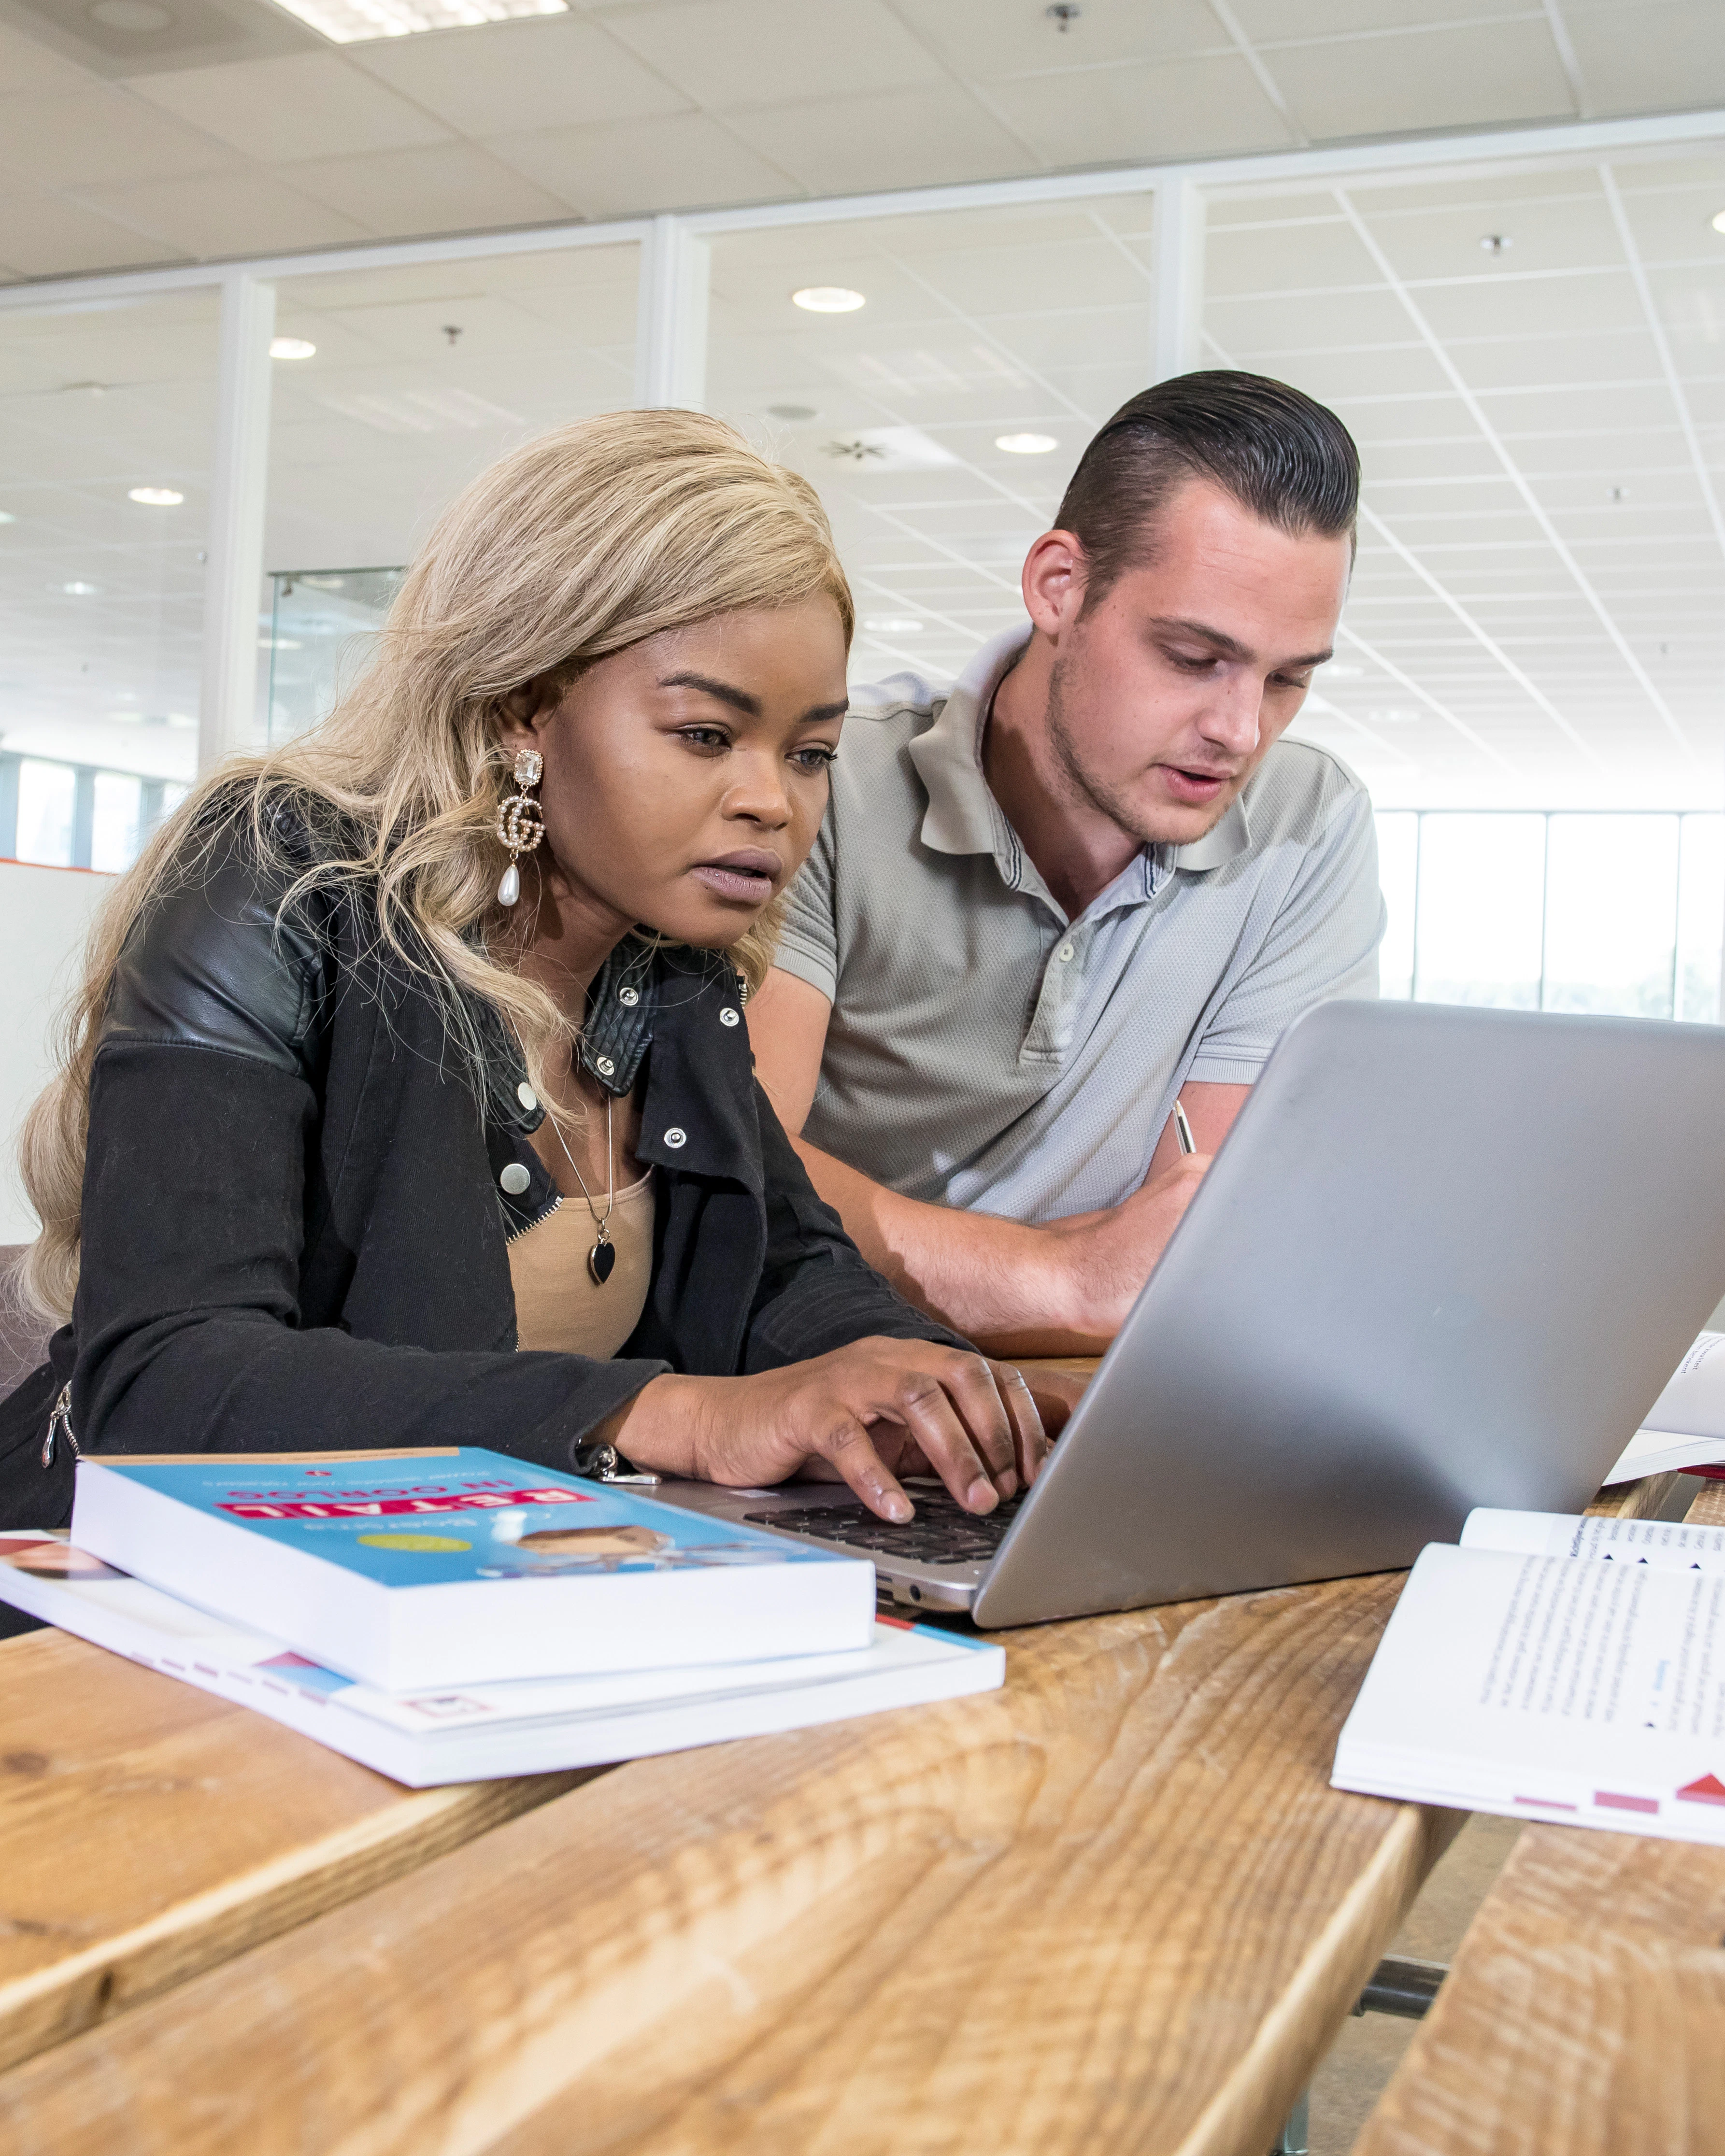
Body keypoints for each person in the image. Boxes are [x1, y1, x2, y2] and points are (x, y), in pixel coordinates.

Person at [0, 410, 1050, 1546]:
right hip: (114, 1604)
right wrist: (663, 1413)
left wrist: (950, 1396)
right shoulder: (278, 876)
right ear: (523, 710)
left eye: (810, 754)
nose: (774, 802)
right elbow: (162, 1385)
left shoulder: (671, 966)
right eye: (707, 735)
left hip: (464, 1587)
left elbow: (782, 1274)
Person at [747, 371, 1385, 1357]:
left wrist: (1079, 1287)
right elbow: (744, 1173)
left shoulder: (1311, 825)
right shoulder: (828, 782)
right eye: (1191, 656)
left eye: (1289, 678)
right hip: (818, 1384)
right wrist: (1065, 1277)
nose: (1240, 730)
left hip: (1088, 1411)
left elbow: (1198, 1257)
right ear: (1060, 586)